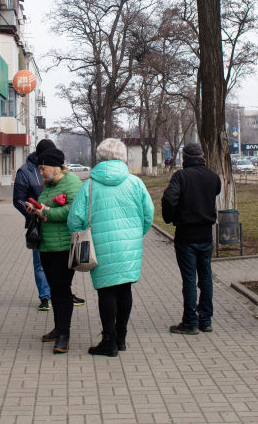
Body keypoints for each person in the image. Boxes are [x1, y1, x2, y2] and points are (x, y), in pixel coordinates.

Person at [67, 138, 154, 357]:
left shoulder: (90, 185)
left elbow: (74, 219)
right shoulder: (135, 183)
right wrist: (136, 233)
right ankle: (121, 338)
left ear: (100, 157)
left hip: (99, 244)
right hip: (130, 245)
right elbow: (148, 214)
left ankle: (109, 341)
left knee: (106, 291)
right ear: (123, 157)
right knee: (125, 289)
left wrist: (82, 231)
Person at [27, 147, 83, 354]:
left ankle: (64, 336)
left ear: (54, 166)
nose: (41, 173)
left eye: (43, 169)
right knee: (53, 289)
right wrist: (34, 211)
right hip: (47, 246)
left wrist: (47, 213)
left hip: (64, 247)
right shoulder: (49, 186)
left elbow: (73, 210)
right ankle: (58, 328)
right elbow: (44, 207)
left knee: (62, 290)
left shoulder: (72, 183)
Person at [161, 142, 219, 335]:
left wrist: (171, 218)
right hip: (206, 234)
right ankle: (206, 319)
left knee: (189, 279)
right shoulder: (213, 177)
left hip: (186, 235)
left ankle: (190, 321)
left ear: (185, 158)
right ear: (202, 156)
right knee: (206, 277)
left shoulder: (181, 177)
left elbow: (169, 198)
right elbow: (216, 191)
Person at [13, 139, 54, 312]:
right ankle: (45, 297)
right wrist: (30, 211)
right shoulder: (25, 171)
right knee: (40, 262)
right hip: (36, 224)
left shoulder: (55, 168)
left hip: (55, 222)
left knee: (58, 261)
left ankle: (60, 292)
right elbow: (18, 199)